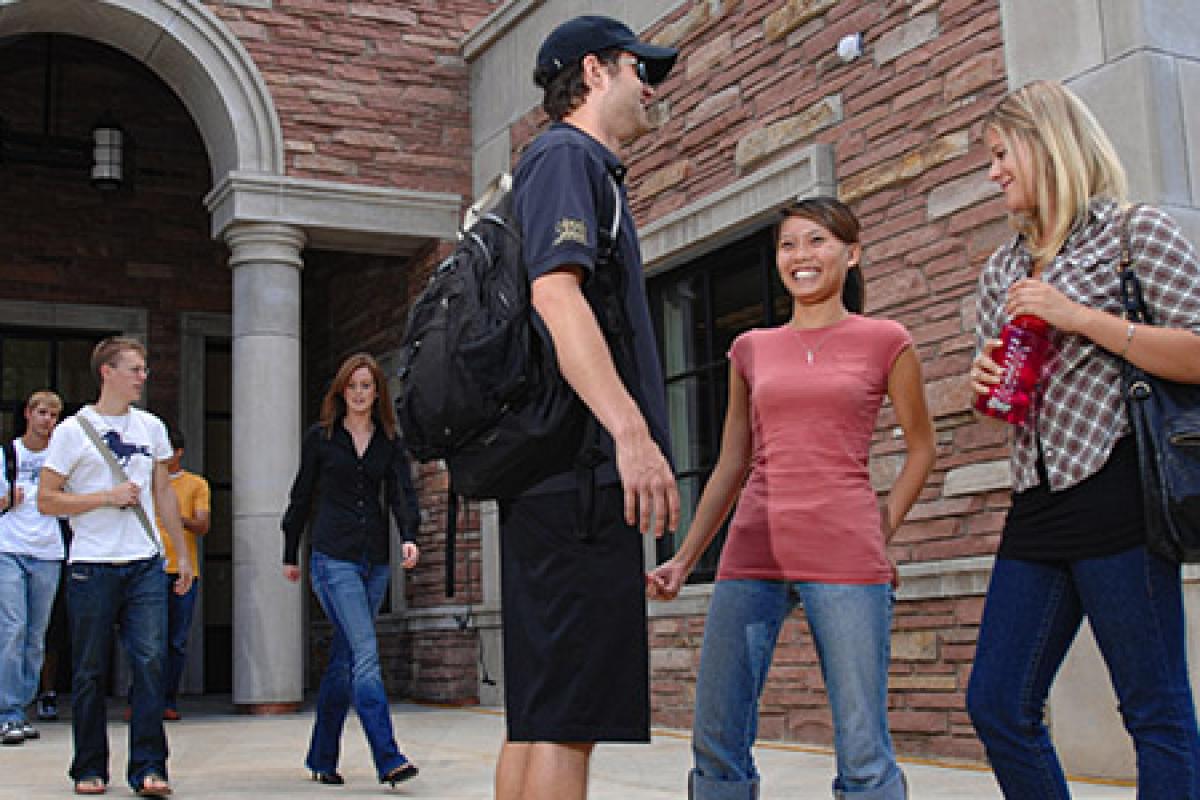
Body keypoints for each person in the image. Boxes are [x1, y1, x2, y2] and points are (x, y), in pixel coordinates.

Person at [648, 198, 936, 800]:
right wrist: (685, 555)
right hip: (752, 551)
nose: (800, 257)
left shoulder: (886, 340)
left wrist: (877, 533)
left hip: (847, 558)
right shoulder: (751, 348)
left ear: (851, 254)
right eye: (788, 245)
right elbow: (732, 461)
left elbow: (921, 449)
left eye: (817, 242)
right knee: (717, 736)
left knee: (862, 748)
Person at [965, 80, 1200, 799]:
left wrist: (1080, 317)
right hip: (1037, 502)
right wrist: (984, 385)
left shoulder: (1135, 234)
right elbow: (1007, 401)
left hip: (1119, 492)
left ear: (1048, 144)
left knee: (1153, 710)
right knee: (998, 702)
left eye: (1004, 154)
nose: (995, 171)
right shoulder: (1001, 269)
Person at [497, 16, 680, 800]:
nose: (652, 87)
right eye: (643, 70)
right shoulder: (570, 158)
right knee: (569, 721)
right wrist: (630, 433)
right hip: (577, 481)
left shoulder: (558, 166)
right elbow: (555, 295)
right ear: (596, 72)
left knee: (542, 716)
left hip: (550, 482)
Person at [39, 337, 194, 797]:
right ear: (107, 372)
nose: (143, 377)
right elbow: (47, 500)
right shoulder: (73, 430)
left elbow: (163, 492)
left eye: (144, 369)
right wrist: (105, 498)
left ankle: (149, 768)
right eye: (135, 369)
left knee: (150, 662)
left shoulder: (151, 428)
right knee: (89, 670)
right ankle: (89, 767)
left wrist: (180, 554)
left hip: (145, 562)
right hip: (91, 565)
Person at [281, 352, 421, 788]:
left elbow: (402, 493)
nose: (360, 394)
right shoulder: (321, 437)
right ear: (341, 391)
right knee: (365, 655)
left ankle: (322, 757)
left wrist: (410, 535)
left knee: (343, 661)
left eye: (367, 386)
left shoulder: (388, 439)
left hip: (374, 560)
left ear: (377, 392)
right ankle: (388, 756)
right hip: (332, 558)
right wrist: (290, 552)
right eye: (353, 386)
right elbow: (301, 495)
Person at [0, 390, 65, 746]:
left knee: (36, 636)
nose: (47, 420)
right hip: (8, 547)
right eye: (41, 412)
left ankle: (19, 707)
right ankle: (8, 712)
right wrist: (6, 501)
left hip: (48, 551)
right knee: (12, 628)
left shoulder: (62, 458)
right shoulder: (7, 454)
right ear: (27, 413)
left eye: (54, 415)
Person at [133, 425, 209, 721]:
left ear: (178, 453)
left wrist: (176, 518)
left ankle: (168, 699)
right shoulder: (144, 482)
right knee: (145, 639)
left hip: (182, 567)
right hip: (148, 565)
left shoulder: (196, 484)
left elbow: (203, 525)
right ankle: (140, 699)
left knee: (175, 639)